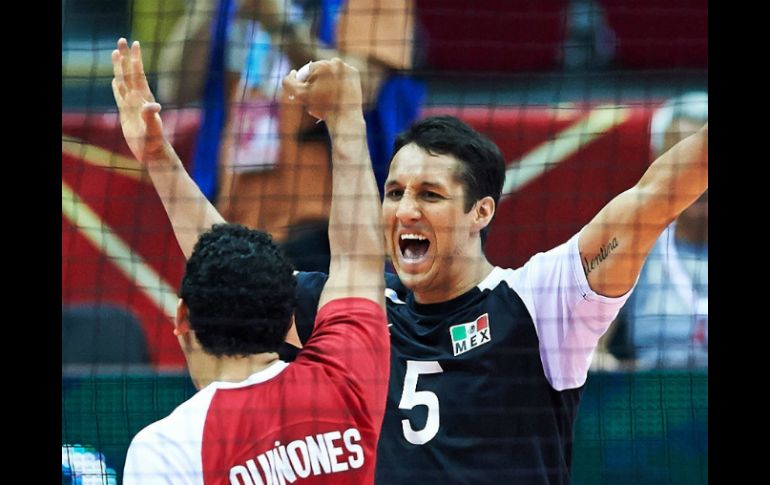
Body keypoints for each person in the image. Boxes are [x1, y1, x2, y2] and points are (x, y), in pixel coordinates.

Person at [138, 50, 708, 485]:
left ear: (481, 211)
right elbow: (230, 276)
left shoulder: (537, 302)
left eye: (430, 194)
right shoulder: (359, 315)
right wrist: (161, 159)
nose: (405, 210)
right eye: (394, 192)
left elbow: (651, 200)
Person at [112, 38, 390, 483]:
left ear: (183, 317)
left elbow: (357, 263)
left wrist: (159, 157)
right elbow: (358, 260)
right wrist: (346, 117)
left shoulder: (165, 447)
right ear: (288, 317)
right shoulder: (345, 380)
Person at [157, 0, 423, 273]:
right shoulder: (229, 6)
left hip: (323, 230)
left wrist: (279, 23)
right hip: (232, 225)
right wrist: (207, 6)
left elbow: (361, 87)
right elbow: (174, 88)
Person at [607, 92, 709, 369]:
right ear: (659, 166)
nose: (700, 181)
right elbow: (588, 353)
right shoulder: (629, 246)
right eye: (685, 165)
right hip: (650, 393)